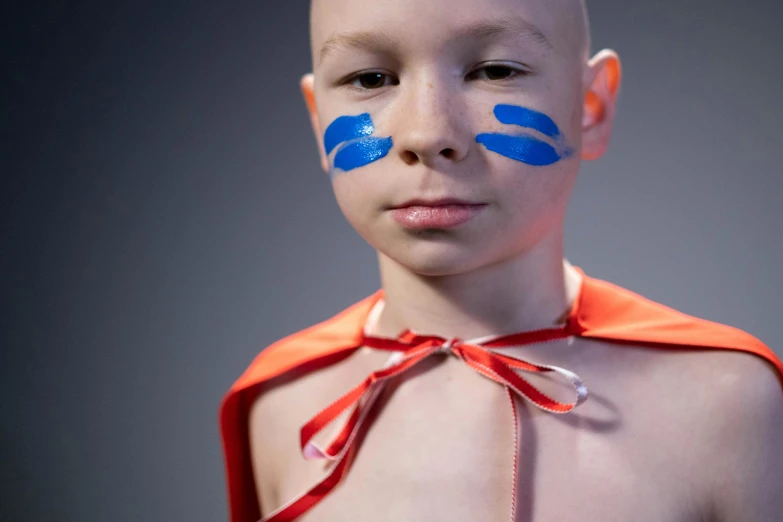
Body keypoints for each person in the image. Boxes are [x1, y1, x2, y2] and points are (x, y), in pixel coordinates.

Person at [219, 0, 783, 520]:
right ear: (319, 121)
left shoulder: (729, 405)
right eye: (371, 79)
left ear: (590, 106)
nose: (427, 132)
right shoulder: (277, 405)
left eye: (495, 71)